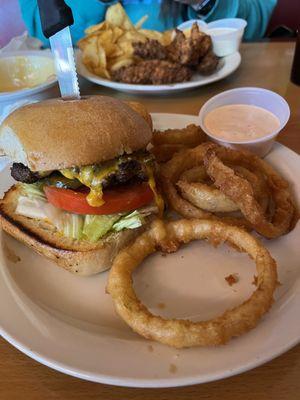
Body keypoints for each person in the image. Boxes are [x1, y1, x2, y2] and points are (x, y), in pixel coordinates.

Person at [19, 0, 277, 46]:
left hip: (208, 93)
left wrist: (204, 1)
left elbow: (254, 24)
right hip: (93, 92)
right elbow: (44, 29)